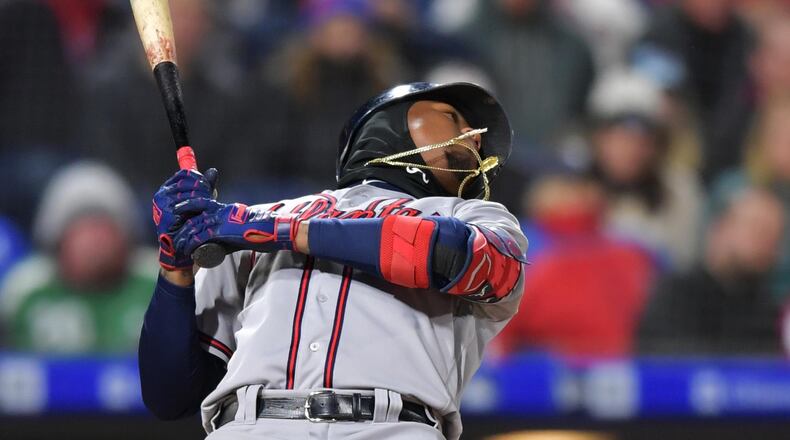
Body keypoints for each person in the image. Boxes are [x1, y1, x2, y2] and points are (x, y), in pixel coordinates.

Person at [138, 82, 528, 440]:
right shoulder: (250, 221)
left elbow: (446, 253)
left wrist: (274, 231)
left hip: (392, 428)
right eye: (454, 118)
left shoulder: (477, 219)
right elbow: (171, 396)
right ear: (387, 124)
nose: (475, 138)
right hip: (248, 426)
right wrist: (175, 266)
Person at [0, 161, 156, 353]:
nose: (95, 240)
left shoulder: (158, 283)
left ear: (127, 236)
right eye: (83, 228)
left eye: (104, 225)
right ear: (57, 239)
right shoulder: (22, 292)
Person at [494, 173, 654, 357]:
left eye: (577, 187)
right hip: (558, 365)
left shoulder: (629, 252)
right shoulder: (519, 246)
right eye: (563, 188)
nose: (571, 196)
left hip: (617, 363)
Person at [638, 188, 784, 355]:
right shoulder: (675, 293)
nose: (768, 244)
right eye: (759, 230)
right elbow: (659, 360)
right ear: (720, 228)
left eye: (775, 237)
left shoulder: (769, 312)